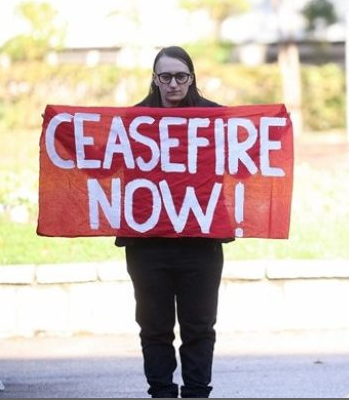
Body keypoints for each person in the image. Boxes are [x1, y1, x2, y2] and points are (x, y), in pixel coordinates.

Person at [115, 46, 232, 399]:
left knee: (200, 327)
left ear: (192, 78)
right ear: (155, 79)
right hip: (148, 244)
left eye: (181, 76)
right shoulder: (132, 122)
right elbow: (103, 163)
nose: (173, 84)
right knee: (154, 327)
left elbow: (247, 157)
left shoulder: (217, 118)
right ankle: (162, 392)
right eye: (165, 77)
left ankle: (197, 393)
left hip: (200, 241)